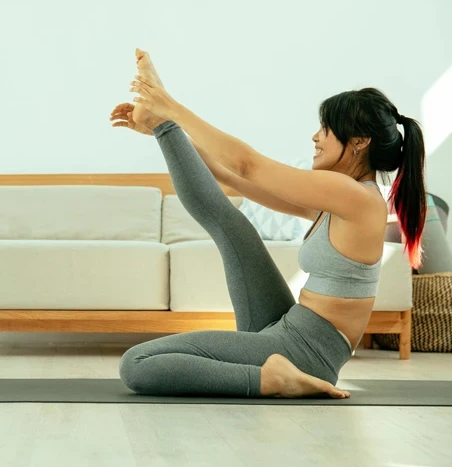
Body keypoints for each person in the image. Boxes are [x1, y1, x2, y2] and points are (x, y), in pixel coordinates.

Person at [112, 50, 426, 399]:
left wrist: (171, 107)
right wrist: (164, 129)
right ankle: (163, 126)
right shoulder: (341, 200)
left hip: (306, 354)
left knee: (136, 364)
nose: (315, 137)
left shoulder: (358, 197)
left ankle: (274, 380)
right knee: (230, 223)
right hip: (287, 328)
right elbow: (230, 175)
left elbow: (248, 165)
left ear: (359, 142)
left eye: (326, 129)